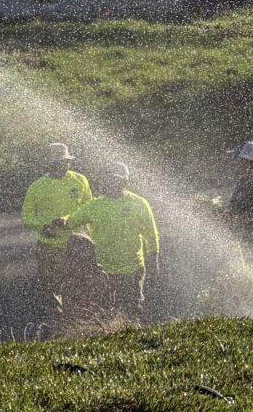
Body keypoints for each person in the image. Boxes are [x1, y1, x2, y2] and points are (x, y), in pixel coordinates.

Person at [69, 162, 160, 327]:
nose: (113, 183)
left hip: (133, 268)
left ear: (125, 181)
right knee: (107, 309)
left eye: (117, 179)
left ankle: (133, 336)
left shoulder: (139, 203)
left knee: (132, 308)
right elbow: (73, 220)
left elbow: (151, 235)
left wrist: (154, 261)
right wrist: (60, 222)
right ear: (104, 181)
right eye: (109, 179)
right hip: (105, 269)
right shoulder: (95, 206)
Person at [21, 141, 91, 336]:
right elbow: (27, 217)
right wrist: (43, 227)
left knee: (78, 285)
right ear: (49, 164)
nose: (61, 166)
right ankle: (59, 330)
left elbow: (89, 211)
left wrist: (92, 239)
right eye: (56, 163)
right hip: (49, 245)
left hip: (77, 245)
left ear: (69, 162)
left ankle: (79, 325)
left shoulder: (80, 181)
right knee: (51, 289)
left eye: (64, 162)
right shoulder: (37, 187)